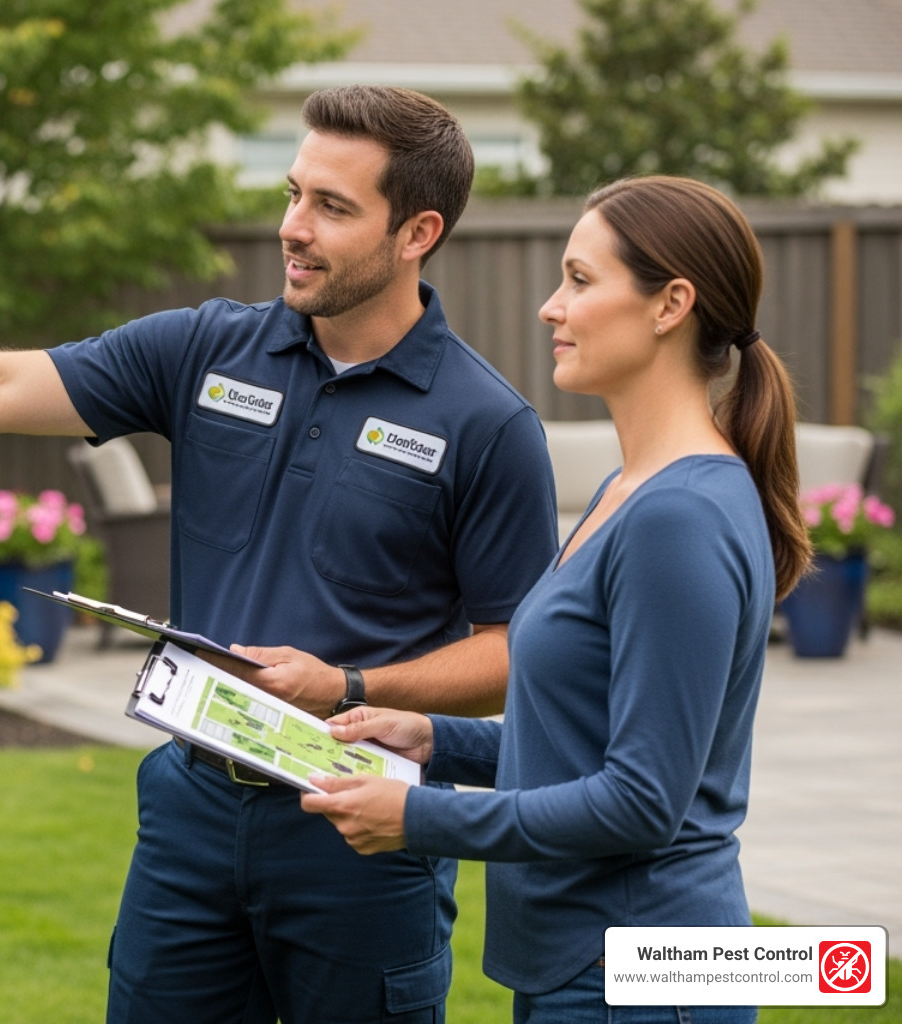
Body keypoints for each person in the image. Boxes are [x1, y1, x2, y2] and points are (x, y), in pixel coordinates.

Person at [0, 85, 559, 1024]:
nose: (294, 227)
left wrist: (348, 686)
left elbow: (516, 655)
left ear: (417, 232)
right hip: (191, 809)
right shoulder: (210, 350)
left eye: (333, 207)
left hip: (359, 831)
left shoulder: (485, 423)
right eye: (295, 193)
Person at [294, 175, 812, 1023]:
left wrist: (418, 819)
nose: (549, 307)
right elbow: (585, 747)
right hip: (586, 965)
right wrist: (434, 740)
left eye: (579, 279)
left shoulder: (677, 515)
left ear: (669, 304)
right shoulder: (631, 490)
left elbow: (642, 802)